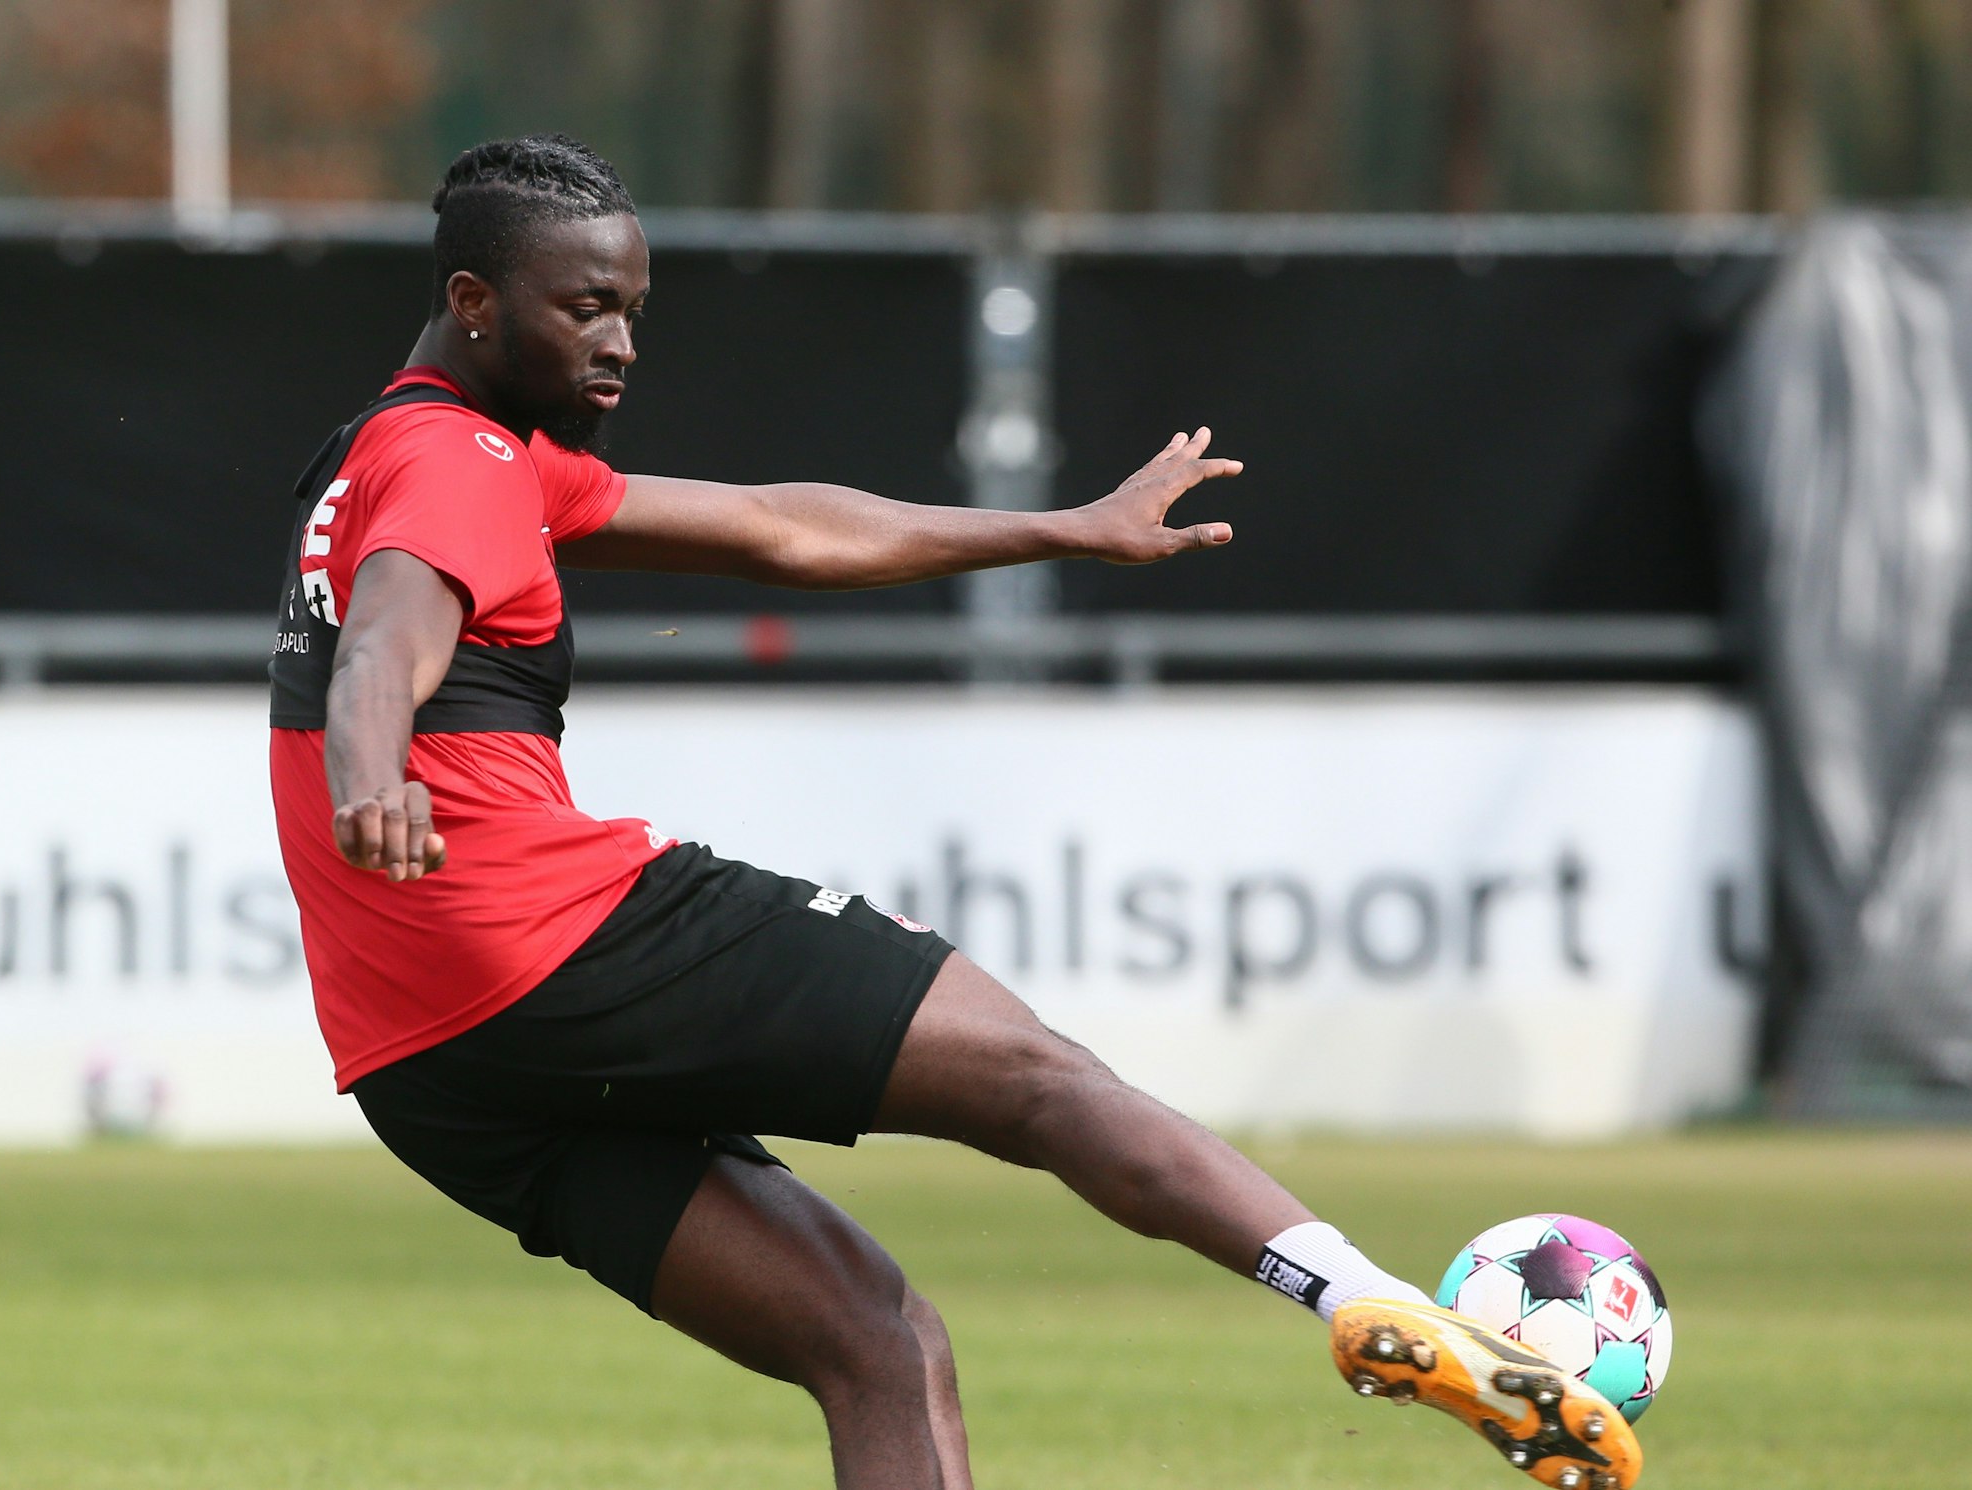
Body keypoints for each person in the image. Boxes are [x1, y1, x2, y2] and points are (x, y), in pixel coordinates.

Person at [267, 134, 1641, 1490]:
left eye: (633, 308)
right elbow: (388, 638)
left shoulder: (399, 453)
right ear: (472, 303)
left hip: (423, 1061)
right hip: (543, 934)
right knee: (1042, 1079)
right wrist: (371, 771)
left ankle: (1360, 1300)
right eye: (587, 308)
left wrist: (1064, 526)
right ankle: (1359, 1291)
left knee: (876, 1337)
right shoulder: (460, 466)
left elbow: (777, 525)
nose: (623, 343)